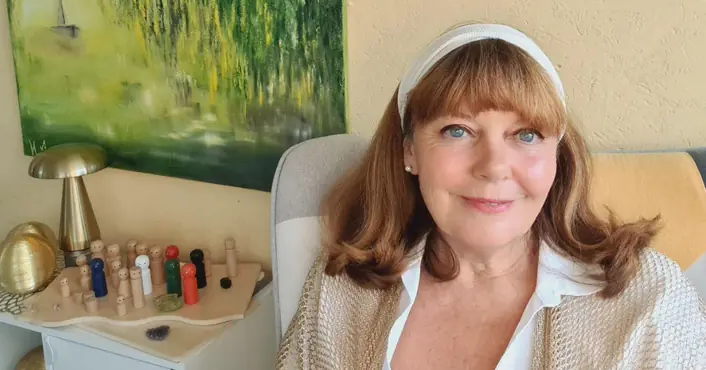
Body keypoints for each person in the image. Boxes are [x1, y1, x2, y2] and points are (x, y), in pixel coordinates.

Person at [275, 23, 706, 369]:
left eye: (527, 134)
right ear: (409, 150)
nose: (494, 166)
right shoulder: (338, 292)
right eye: (457, 131)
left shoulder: (647, 299)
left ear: (556, 158)